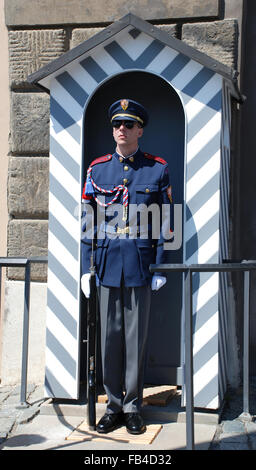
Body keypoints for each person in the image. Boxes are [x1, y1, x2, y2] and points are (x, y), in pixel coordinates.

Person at [81, 98, 173, 435]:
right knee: (109, 338)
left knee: (136, 339)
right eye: (118, 124)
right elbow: (88, 221)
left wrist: (161, 267)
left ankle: (134, 406)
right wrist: (85, 267)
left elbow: (166, 221)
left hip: (140, 265)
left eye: (129, 124)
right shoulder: (97, 169)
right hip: (106, 264)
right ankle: (113, 405)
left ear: (140, 130)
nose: (122, 129)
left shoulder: (156, 169)